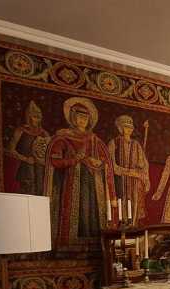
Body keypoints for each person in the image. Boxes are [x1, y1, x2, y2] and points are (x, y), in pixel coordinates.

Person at [44, 97, 116, 247]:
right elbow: (54, 161)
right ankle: (70, 243)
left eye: (85, 117)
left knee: (93, 210)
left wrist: (99, 163)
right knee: (77, 210)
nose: (82, 120)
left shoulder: (94, 140)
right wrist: (74, 159)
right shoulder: (63, 137)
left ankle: (96, 242)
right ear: (72, 118)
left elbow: (106, 161)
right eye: (79, 116)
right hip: (72, 182)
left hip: (93, 183)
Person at [107, 115, 150, 224]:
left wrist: (143, 173)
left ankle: (133, 226)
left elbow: (144, 165)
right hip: (119, 181)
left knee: (134, 207)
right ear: (120, 128)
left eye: (131, 127)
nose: (129, 129)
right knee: (121, 205)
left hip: (134, 183)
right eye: (126, 127)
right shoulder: (114, 143)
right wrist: (130, 172)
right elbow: (112, 166)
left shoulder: (136, 145)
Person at [6, 100, 50, 195]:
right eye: (34, 117)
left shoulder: (44, 133)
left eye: (38, 117)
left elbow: (47, 151)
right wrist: (26, 159)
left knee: (41, 191)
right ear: (29, 117)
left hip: (40, 168)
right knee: (27, 192)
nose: (37, 120)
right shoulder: (21, 131)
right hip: (25, 167)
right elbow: (10, 150)